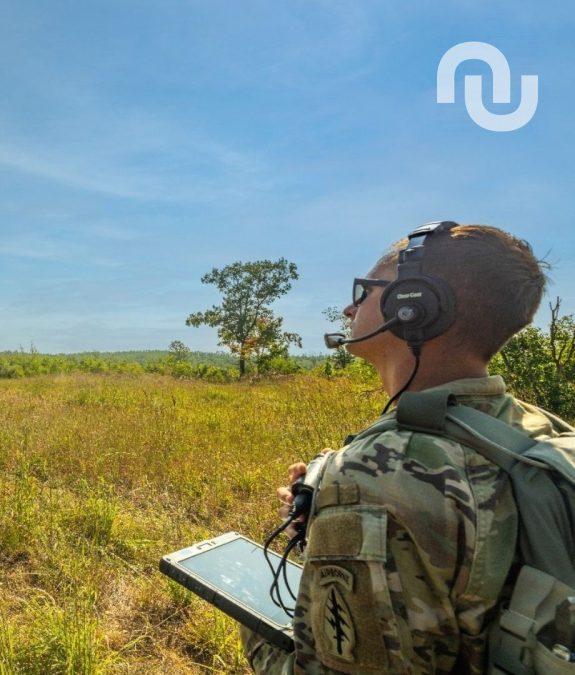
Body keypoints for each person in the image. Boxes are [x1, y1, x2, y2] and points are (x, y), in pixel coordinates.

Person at [241, 223, 572, 674]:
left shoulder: (379, 473)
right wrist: (329, 525)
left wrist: (254, 626)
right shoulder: (540, 428)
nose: (347, 307)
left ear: (414, 304)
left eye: (365, 292)